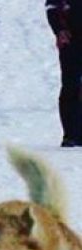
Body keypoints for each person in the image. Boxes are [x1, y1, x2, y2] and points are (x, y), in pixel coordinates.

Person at [46, 0, 82, 147]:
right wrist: (59, 29)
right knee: (70, 85)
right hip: (70, 39)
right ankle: (71, 134)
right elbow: (51, 7)